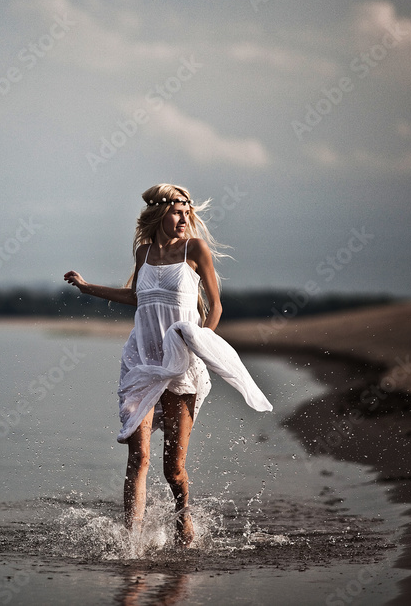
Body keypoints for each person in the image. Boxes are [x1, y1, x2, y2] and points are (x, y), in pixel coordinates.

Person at [64, 183, 272, 546]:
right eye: (177, 211)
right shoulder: (144, 253)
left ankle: (183, 517)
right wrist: (87, 288)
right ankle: (133, 543)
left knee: (173, 469)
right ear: (160, 213)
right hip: (142, 362)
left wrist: (203, 344)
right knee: (138, 457)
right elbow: (135, 296)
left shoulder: (195, 249)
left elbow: (216, 306)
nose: (184, 218)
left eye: (187, 211)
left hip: (182, 364)